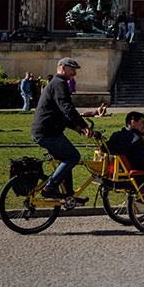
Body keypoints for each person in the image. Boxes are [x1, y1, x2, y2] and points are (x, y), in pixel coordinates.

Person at [31, 57, 95, 207]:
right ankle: (50, 188)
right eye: (73, 69)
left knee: (66, 160)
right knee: (73, 156)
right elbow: (66, 107)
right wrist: (84, 126)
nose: (75, 73)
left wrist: (75, 127)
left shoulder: (55, 83)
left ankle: (68, 196)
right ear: (63, 67)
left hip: (44, 131)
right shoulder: (59, 83)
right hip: (48, 133)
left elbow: (59, 112)